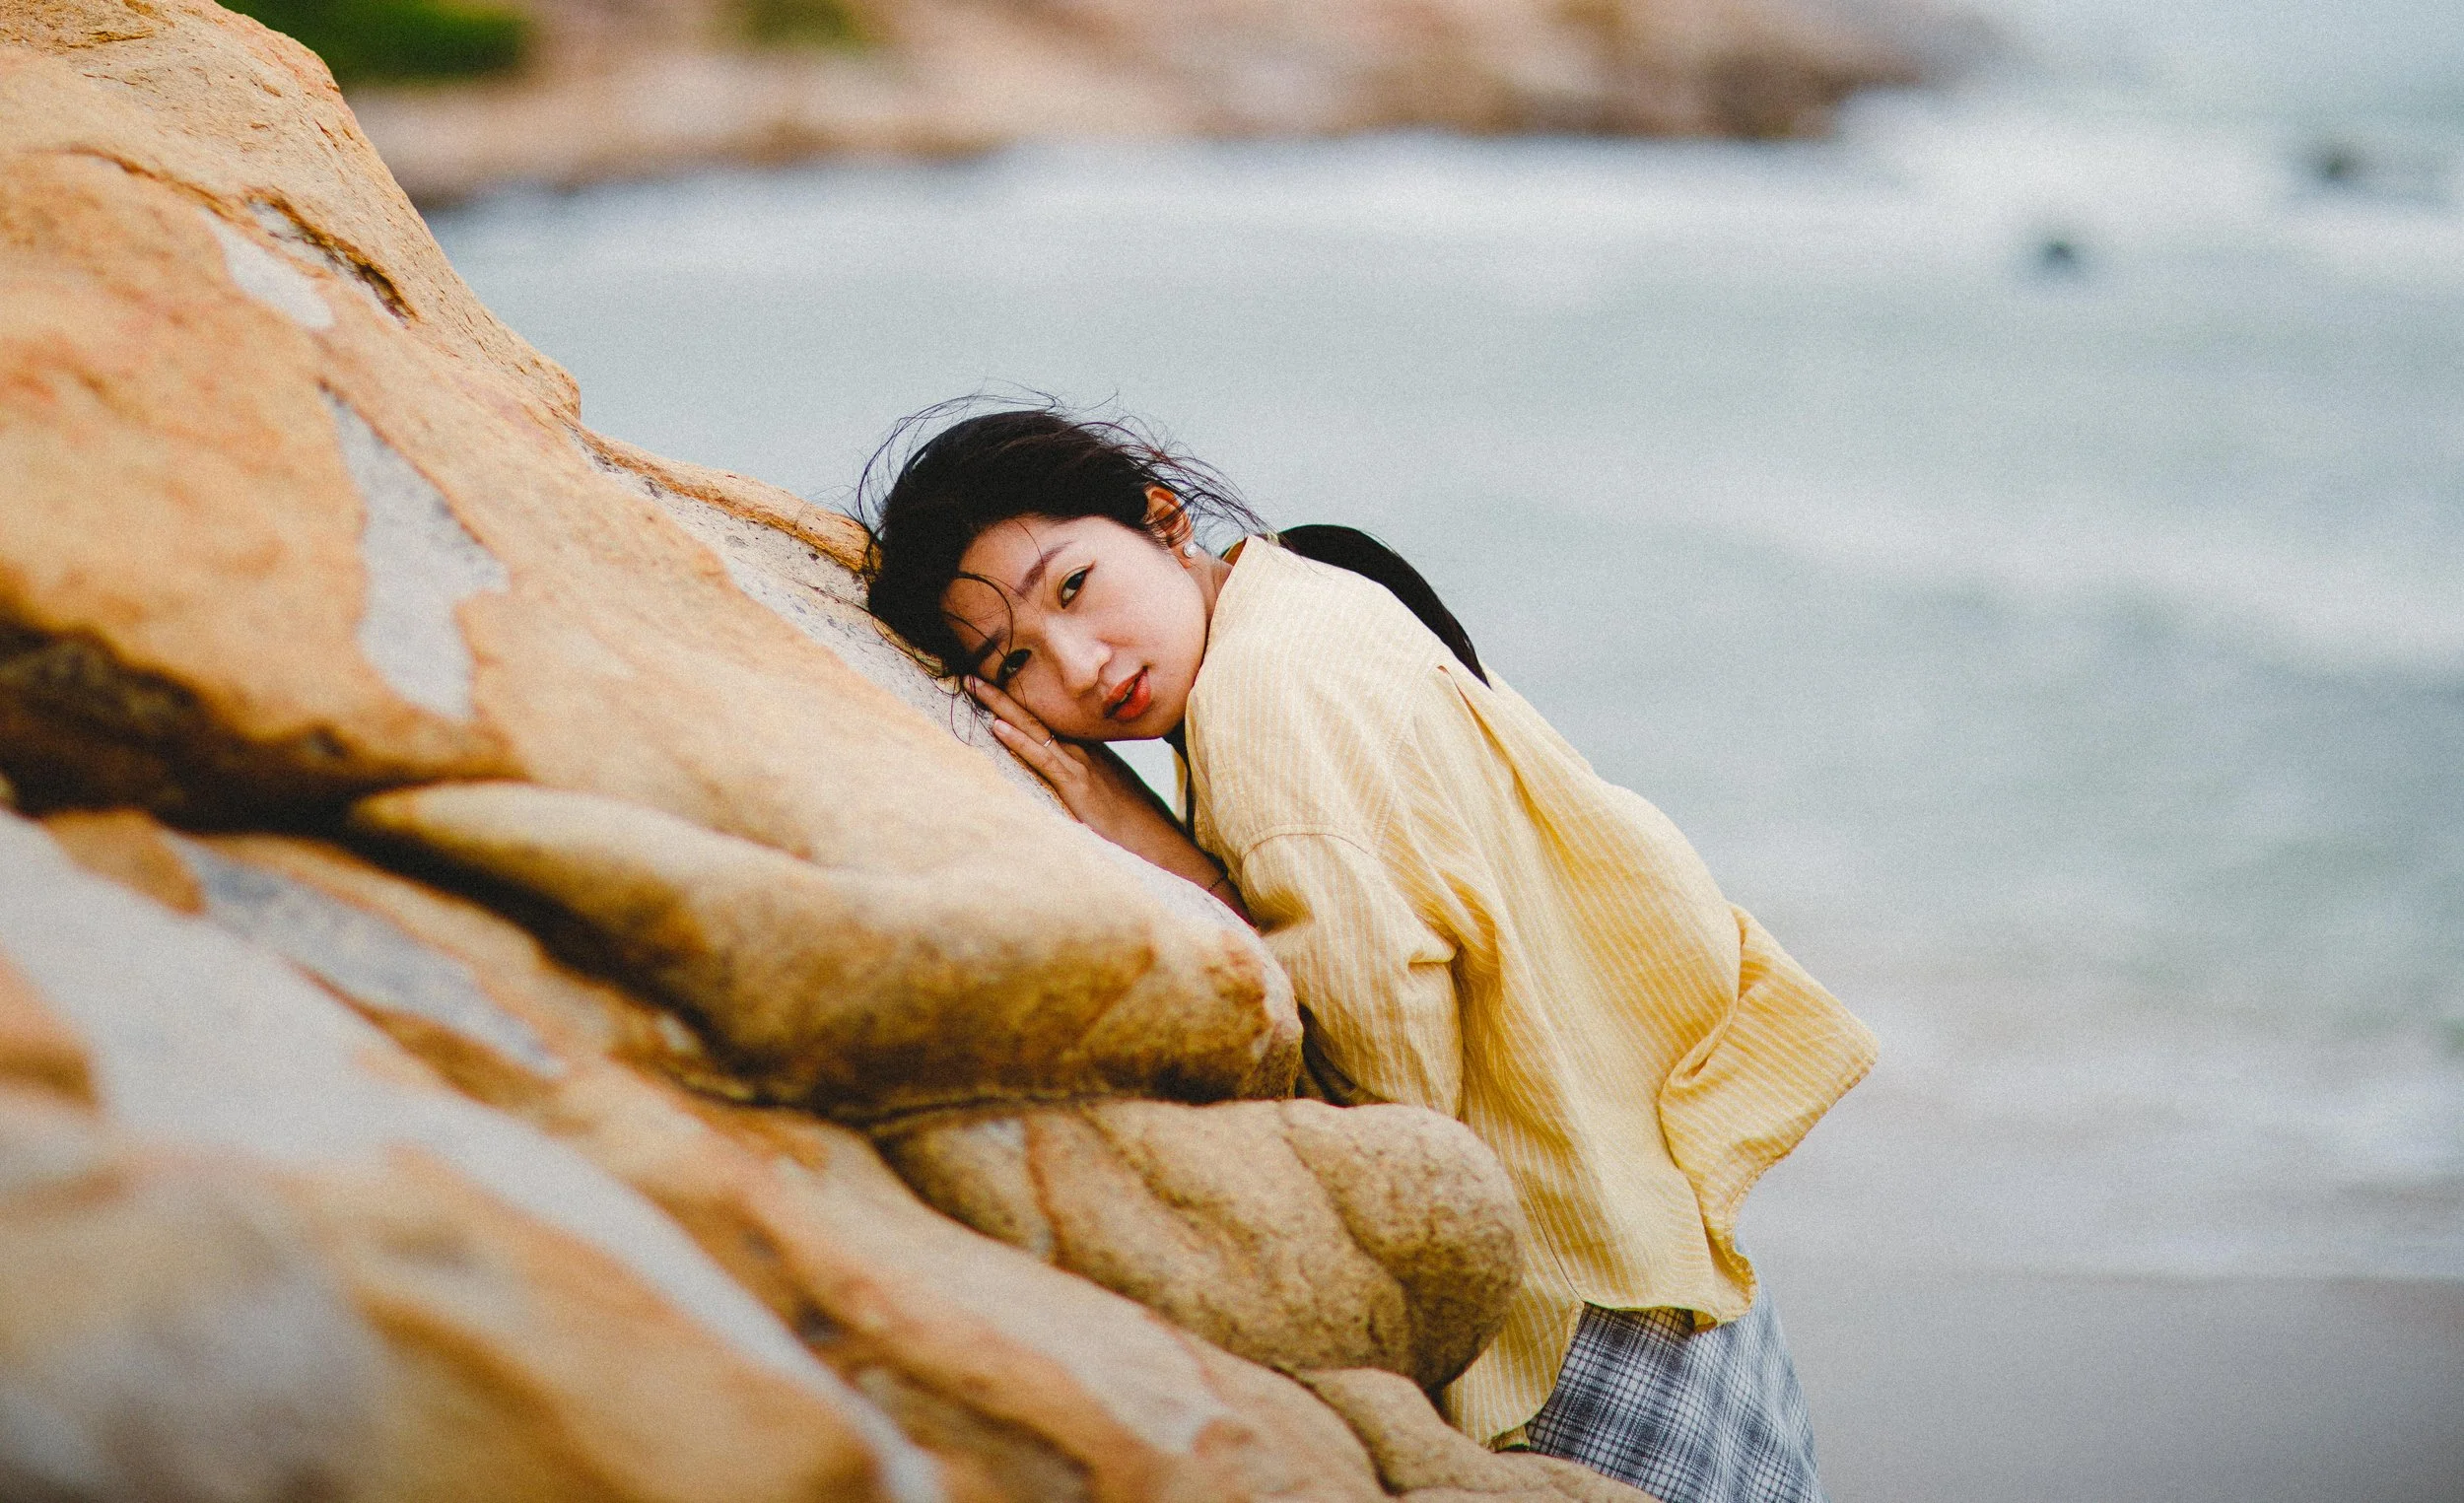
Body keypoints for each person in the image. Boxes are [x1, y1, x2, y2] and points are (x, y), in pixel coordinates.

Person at [860, 401, 1877, 1503]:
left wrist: (1160, 855)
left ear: (1162, 521)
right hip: (1635, 1201)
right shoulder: (1305, 589)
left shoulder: (1265, 710)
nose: (1079, 662)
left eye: (1072, 587)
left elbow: (1390, 1124)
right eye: (1014, 663)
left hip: (1564, 1304)